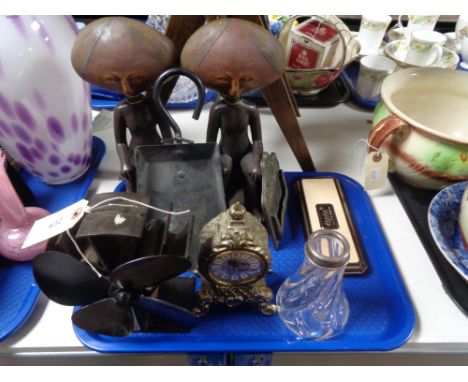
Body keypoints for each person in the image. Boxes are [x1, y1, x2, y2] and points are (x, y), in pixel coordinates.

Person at [181, 18, 286, 215]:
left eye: (243, 81)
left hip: (246, 152)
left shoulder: (250, 108)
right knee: (223, 173)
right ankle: (221, 206)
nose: (234, 89)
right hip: (226, 153)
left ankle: (254, 207)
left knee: (254, 174)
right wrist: (219, 159)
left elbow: (257, 142)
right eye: (226, 80)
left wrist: (255, 159)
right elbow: (211, 142)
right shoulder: (218, 110)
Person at [71, 17, 176, 191]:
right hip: (136, 153)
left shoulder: (152, 104)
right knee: (132, 181)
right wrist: (124, 163)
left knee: (165, 183)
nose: (126, 87)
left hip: (157, 150)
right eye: (115, 80)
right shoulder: (121, 110)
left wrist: (171, 151)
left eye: (134, 78)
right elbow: (120, 142)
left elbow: (166, 132)